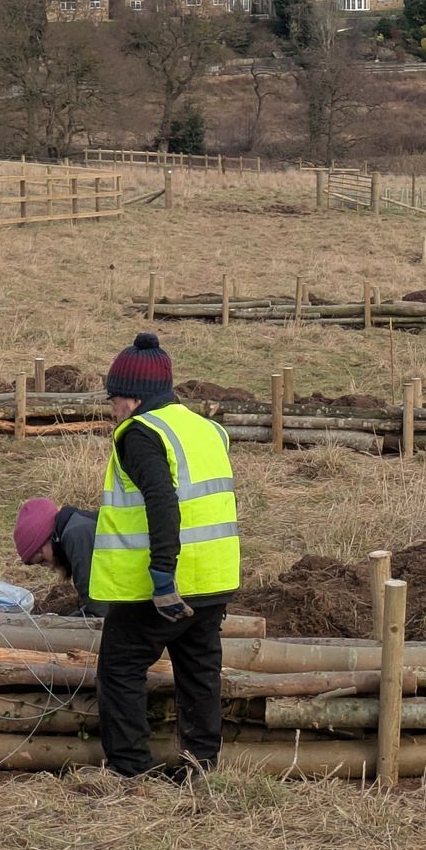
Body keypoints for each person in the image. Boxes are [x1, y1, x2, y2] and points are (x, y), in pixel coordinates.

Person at [91, 332, 238, 779]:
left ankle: (131, 771)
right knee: (199, 675)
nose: (112, 409)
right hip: (213, 579)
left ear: (133, 398)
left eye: (114, 398)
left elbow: (161, 500)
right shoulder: (207, 428)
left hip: (158, 588)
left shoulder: (140, 433)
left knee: (120, 670)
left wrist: (161, 574)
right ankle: (201, 767)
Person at [12, 497, 107, 617]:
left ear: (45, 541)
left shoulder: (77, 537)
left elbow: (99, 611)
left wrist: (58, 626)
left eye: (43, 561)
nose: (51, 567)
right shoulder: (78, 525)